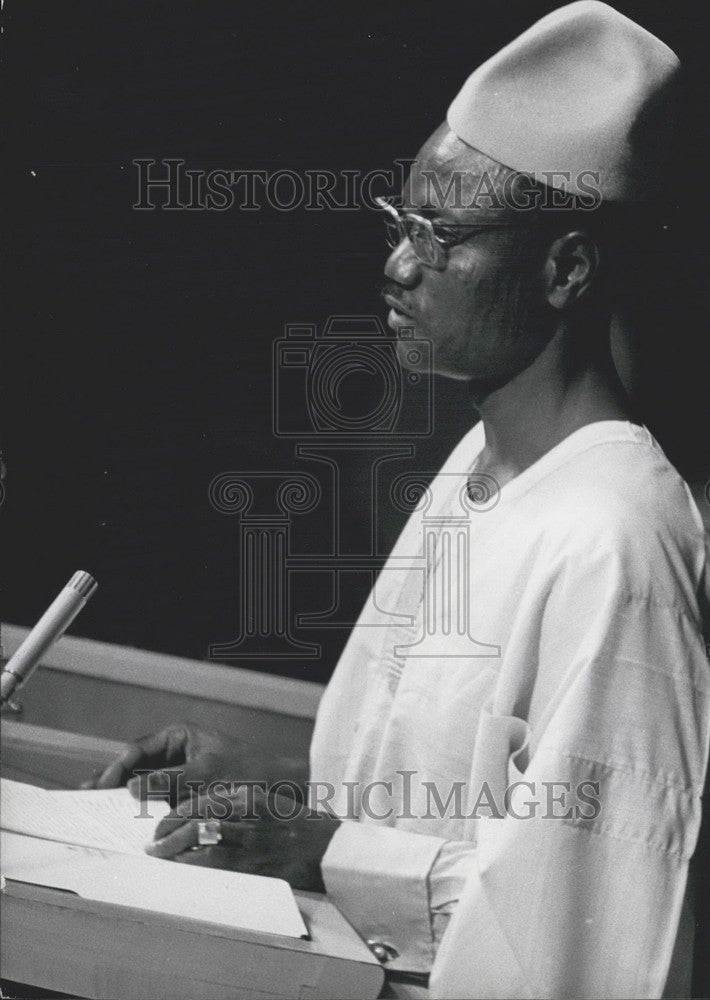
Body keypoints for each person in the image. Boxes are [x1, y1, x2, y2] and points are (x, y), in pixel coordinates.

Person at [88, 3, 709, 997]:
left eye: (439, 235)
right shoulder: (479, 463)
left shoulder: (614, 542)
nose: (399, 266)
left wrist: (323, 845)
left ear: (566, 268)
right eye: (398, 224)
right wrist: (279, 783)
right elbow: (460, 808)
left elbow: (582, 937)